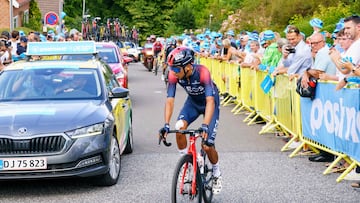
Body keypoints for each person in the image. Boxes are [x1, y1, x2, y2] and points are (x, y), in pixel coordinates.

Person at [159, 47, 222, 194]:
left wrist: (205, 125)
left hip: (209, 104)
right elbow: (169, 100)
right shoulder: (174, 75)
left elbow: (210, 101)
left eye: (175, 68)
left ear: (188, 66)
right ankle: (186, 165)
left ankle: (217, 173)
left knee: (207, 145)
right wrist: (166, 124)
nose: (173, 71)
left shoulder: (203, 72)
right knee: (179, 128)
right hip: (192, 103)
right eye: (171, 68)